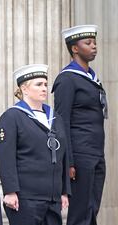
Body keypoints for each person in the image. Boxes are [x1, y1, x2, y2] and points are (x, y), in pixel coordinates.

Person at [0, 64, 70, 225]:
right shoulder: (12, 117)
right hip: (27, 197)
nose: (44, 88)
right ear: (24, 89)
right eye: (38, 84)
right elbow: (5, 157)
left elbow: (64, 154)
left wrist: (64, 190)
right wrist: (9, 191)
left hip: (52, 197)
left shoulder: (55, 118)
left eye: (45, 84)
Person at [52, 25, 107, 225]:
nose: (94, 47)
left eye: (94, 42)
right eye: (88, 43)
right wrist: (69, 161)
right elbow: (61, 121)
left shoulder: (91, 78)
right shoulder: (67, 79)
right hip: (80, 154)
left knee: (92, 209)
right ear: (75, 48)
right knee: (79, 213)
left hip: (95, 152)